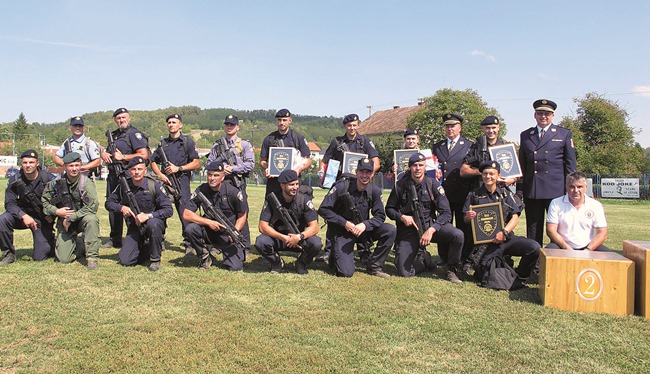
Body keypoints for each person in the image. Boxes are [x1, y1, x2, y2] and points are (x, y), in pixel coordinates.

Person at [386, 153, 464, 282]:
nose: (417, 168)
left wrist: (433, 229)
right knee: (404, 271)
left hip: (429, 227)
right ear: (410, 167)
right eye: (414, 165)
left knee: (457, 235)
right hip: (409, 231)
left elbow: (446, 213)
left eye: (420, 165)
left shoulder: (433, 184)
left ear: (425, 167)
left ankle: (451, 270)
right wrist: (401, 217)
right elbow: (389, 209)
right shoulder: (400, 186)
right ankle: (426, 261)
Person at [317, 114, 380, 263]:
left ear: (358, 125)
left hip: (360, 185)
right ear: (345, 126)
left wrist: (366, 176)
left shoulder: (365, 141)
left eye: (354, 125)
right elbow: (325, 162)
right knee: (334, 218)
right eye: (349, 125)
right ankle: (329, 251)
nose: (352, 128)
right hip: (341, 185)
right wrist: (323, 175)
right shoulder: (336, 142)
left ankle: (364, 251)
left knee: (362, 216)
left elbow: (376, 162)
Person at [463, 161, 540, 282]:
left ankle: (522, 274)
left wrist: (504, 232)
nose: (488, 176)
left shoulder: (506, 194)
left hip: (506, 238)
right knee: (485, 270)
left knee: (534, 247)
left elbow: (515, 217)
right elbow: (465, 219)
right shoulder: (474, 195)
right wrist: (468, 216)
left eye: (491, 174)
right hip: (486, 242)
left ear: (498, 175)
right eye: (485, 174)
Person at [318, 158, 395, 279]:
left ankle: (374, 266)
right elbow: (323, 209)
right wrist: (344, 223)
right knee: (345, 273)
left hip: (363, 230)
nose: (365, 175)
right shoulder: (341, 187)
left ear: (372, 174)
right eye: (362, 172)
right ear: (356, 172)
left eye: (368, 172)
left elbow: (380, 216)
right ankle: (334, 255)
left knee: (390, 230)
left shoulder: (374, 191)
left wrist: (365, 225)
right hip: (344, 232)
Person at [519, 99, 577, 246]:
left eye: (547, 113)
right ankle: (534, 264)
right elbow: (522, 165)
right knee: (533, 230)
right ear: (535, 115)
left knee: (558, 230)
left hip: (555, 190)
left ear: (552, 116)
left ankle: (556, 260)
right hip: (533, 189)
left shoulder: (563, 134)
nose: (543, 116)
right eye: (540, 113)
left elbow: (570, 165)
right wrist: (521, 188)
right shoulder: (526, 135)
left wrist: (571, 188)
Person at [105, 156, 173, 271]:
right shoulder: (124, 185)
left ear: (145, 170)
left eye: (140, 169)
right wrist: (121, 208)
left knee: (154, 224)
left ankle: (155, 259)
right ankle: (147, 248)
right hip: (135, 226)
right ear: (129, 171)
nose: (137, 172)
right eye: (134, 169)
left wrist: (148, 216)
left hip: (153, 223)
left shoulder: (154, 185)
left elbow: (168, 210)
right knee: (126, 260)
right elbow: (109, 203)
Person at [183, 162, 249, 270]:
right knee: (190, 229)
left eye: (216, 175)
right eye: (209, 175)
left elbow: (242, 215)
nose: (212, 178)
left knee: (235, 267)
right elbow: (186, 214)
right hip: (209, 231)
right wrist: (208, 222)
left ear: (223, 177)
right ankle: (205, 256)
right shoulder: (202, 190)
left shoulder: (232, 192)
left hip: (227, 234)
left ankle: (230, 252)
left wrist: (235, 231)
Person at [100, 107, 150, 249]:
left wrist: (124, 157)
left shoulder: (134, 134)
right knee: (113, 205)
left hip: (128, 176)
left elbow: (143, 155)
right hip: (113, 176)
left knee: (132, 205)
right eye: (118, 118)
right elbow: (109, 152)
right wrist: (103, 153)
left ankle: (136, 237)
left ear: (129, 118)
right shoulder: (114, 135)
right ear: (115, 120)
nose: (121, 120)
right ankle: (115, 239)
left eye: (124, 117)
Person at [42, 152, 100, 269]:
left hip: (82, 218)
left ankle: (92, 258)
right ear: (64, 167)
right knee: (63, 259)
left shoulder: (86, 183)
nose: (74, 169)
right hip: (63, 221)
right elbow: (44, 201)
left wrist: (71, 218)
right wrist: (56, 211)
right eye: (70, 166)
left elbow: (93, 206)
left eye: (76, 165)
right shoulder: (56, 182)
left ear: (80, 165)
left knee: (92, 219)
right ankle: (80, 245)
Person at [150, 113, 200, 252]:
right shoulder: (163, 143)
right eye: (169, 122)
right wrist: (160, 175)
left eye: (174, 122)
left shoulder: (187, 142)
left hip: (181, 182)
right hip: (166, 182)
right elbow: (153, 161)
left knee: (185, 212)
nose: (171, 124)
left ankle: (189, 243)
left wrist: (178, 168)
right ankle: (159, 239)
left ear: (180, 125)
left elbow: (196, 163)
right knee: (161, 210)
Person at [256, 170, 321, 274]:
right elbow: (262, 226)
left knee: (316, 243)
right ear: (282, 185)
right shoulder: (272, 200)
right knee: (261, 242)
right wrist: (284, 237)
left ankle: (301, 262)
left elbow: (314, 227)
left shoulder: (304, 200)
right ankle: (276, 262)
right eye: (291, 185)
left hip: (299, 240)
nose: (295, 187)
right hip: (279, 239)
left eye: (297, 184)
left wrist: (299, 237)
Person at [206, 114, 255, 250]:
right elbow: (209, 163)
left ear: (237, 127)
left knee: (241, 212)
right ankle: (219, 243)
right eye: (227, 124)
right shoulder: (217, 145)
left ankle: (244, 244)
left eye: (232, 125)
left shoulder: (244, 145)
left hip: (237, 182)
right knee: (220, 212)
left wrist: (232, 169)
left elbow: (250, 164)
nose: (229, 127)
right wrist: (221, 169)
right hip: (221, 184)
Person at [432, 114, 474, 265]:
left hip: (463, 193)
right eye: (447, 126)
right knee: (444, 227)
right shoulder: (437, 147)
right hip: (444, 194)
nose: (450, 129)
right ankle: (444, 258)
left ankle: (463, 258)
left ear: (460, 128)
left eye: (453, 126)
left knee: (464, 228)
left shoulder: (469, 145)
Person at [0, 150, 55, 265]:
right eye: (25, 162)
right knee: (3, 219)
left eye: (31, 162)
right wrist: (23, 215)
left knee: (40, 256)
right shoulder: (15, 180)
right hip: (21, 216)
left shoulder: (48, 179)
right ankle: (8, 254)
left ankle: (51, 242)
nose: (28, 165)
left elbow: (59, 201)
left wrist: (52, 214)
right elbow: (9, 204)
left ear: (37, 163)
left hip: (41, 218)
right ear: (22, 163)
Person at [546, 172, 610, 251]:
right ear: (566, 187)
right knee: (549, 251)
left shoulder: (596, 205)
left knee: (607, 254)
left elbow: (602, 233)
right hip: (562, 246)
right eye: (572, 187)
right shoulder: (556, 203)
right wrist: (566, 247)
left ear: (586, 188)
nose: (576, 190)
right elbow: (551, 230)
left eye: (579, 187)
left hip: (588, 247)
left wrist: (588, 250)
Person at [259, 108, 311, 195]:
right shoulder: (269, 139)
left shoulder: (298, 138)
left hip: (292, 182)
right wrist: (267, 168)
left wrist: (298, 169)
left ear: (290, 121)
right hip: (274, 182)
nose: (281, 123)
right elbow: (262, 160)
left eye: (284, 120)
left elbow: (308, 160)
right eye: (279, 120)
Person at [460, 115, 517, 190]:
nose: (491, 131)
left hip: (501, 189)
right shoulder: (475, 147)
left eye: (493, 128)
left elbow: (516, 172)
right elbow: (463, 171)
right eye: (488, 128)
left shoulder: (506, 147)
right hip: (480, 190)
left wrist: (512, 180)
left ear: (498, 128)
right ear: (483, 129)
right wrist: (483, 172)